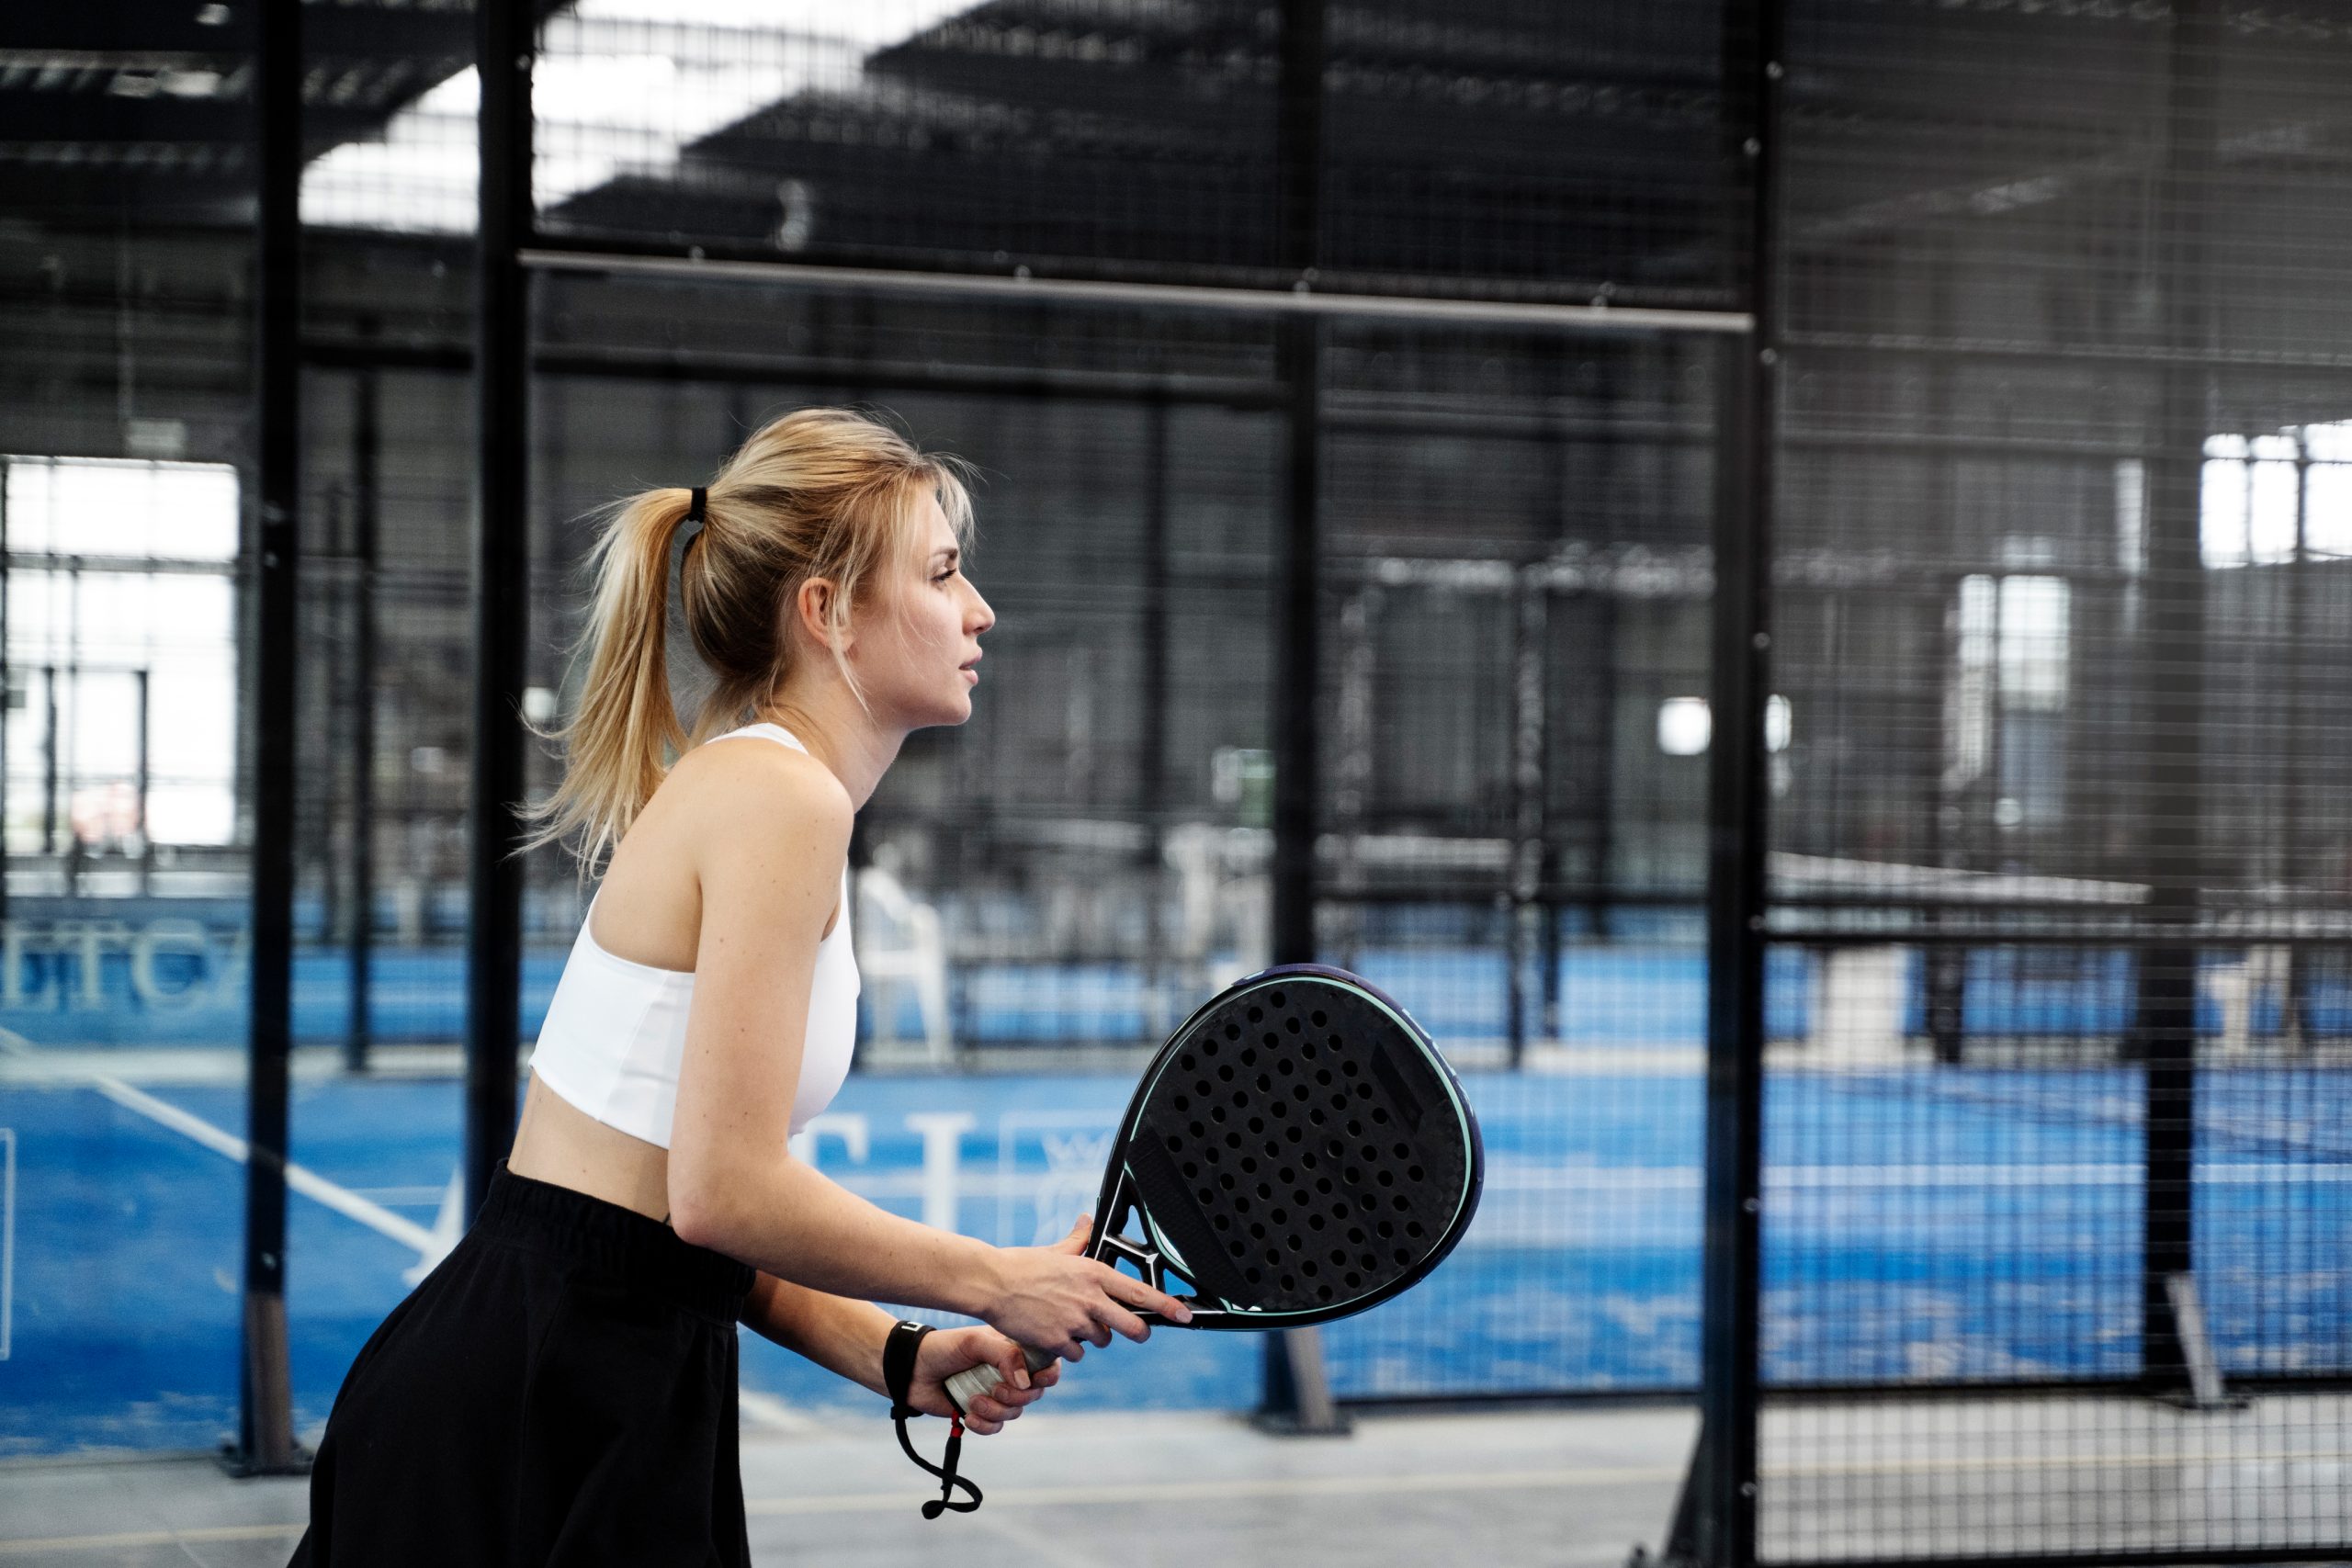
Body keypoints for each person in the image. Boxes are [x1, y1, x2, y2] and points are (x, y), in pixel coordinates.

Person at [289, 408, 1187, 1565]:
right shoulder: (784, 801)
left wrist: (901, 1354)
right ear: (828, 614)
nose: (980, 611)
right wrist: (997, 1280)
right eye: (944, 573)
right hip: (544, 1391)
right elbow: (723, 1195)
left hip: (593, 1363)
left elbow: (673, 1221)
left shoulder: (777, 792)